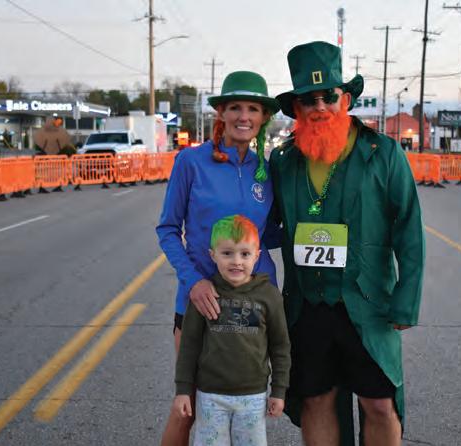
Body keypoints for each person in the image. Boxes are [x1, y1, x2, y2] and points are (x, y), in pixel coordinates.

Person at [269, 41, 425, 446]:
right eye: (309, 99)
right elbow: (260, 220)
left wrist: (407, 298)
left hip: (368, 303)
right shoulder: (284, 161)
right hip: (308, 303)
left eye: (329, 96)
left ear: (347, 99)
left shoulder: (383, 153)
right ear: (297, 107)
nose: (320, 106)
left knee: (380, 403)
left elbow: (409, 227)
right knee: (316, 400)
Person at [156, 71, 281, 446]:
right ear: (221, 113)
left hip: (253, 306)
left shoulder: (266, 170)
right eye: (235, 107)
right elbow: (168, 229)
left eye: (253, 109)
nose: (244, 116)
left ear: (263, 117)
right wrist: (193, 281)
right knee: (189, 407)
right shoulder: (191, 162)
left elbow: (268, 235)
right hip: (201, 302)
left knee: (245, 407)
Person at [172, 215, 291, 445]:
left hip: (253, 397)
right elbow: (189, 345)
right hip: (210, 396)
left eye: (245, 254)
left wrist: (279, 390)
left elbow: (280, 346)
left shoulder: (268, 296)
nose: (236, 261)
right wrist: (183, 390)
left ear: (257, 256)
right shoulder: (205, 295)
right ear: (212, 255)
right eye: (227, 253)